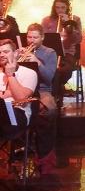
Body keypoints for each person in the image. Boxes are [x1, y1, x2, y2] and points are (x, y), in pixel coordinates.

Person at [19, 23, 58, 173]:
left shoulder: (49, 53)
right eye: (29, 37)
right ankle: (19, 146)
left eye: (35, 37)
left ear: (42, 38)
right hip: (23, 88)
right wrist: (16, 58)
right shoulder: (20, 51)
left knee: (48, 111)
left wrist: (37, 62)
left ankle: (45, 156)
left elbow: (48, 78)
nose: (31, 40)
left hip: (42, 90)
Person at [41, 0, 82, 92]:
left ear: (67, 7)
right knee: (44, 68)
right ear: (54, 8)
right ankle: (54, 92)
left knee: (63, 71)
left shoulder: (75, 19)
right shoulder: (46, 20)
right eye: (57, 7)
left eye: (63, 7)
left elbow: (78, 39)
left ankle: (56, 91)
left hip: (67, 53)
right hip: (50, 53)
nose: (60, 10)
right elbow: (42, 38)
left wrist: (69, 25)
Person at [0, 39, 38, 134]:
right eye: (0, 52)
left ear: (16, 53)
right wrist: (9, 93)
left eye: (6, 52)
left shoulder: (29, 73)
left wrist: (10, 75)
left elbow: (21, 98)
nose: (1, 55)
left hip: (17, 115)